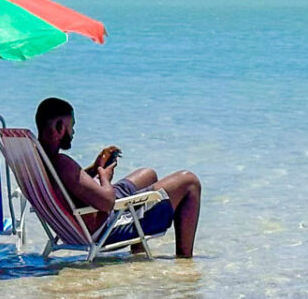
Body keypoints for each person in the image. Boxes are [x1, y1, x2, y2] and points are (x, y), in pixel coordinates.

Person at [34, 97, 202, 258]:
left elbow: (69, 185)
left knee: (148, 174)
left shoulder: (39, 160)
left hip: (81, 220)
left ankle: (138, 250)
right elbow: (107, 202)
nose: (73, 132)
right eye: (72, 126)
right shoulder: (62, 163)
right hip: (107, 227)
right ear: (59, 127)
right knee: (189, 181)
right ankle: (184, 259)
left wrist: (94, 169)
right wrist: (104, 176)